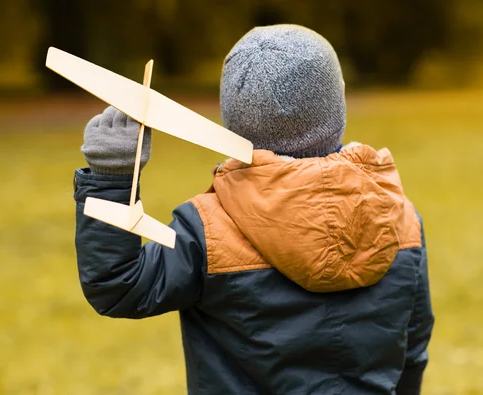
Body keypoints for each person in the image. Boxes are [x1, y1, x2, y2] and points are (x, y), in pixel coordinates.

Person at [73, 25, 434, 395]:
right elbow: (413, 344)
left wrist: (111, 178)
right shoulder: (397, 216)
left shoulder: (207, 229)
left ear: (232, 120)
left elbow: (118, 284)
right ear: (338, 101)